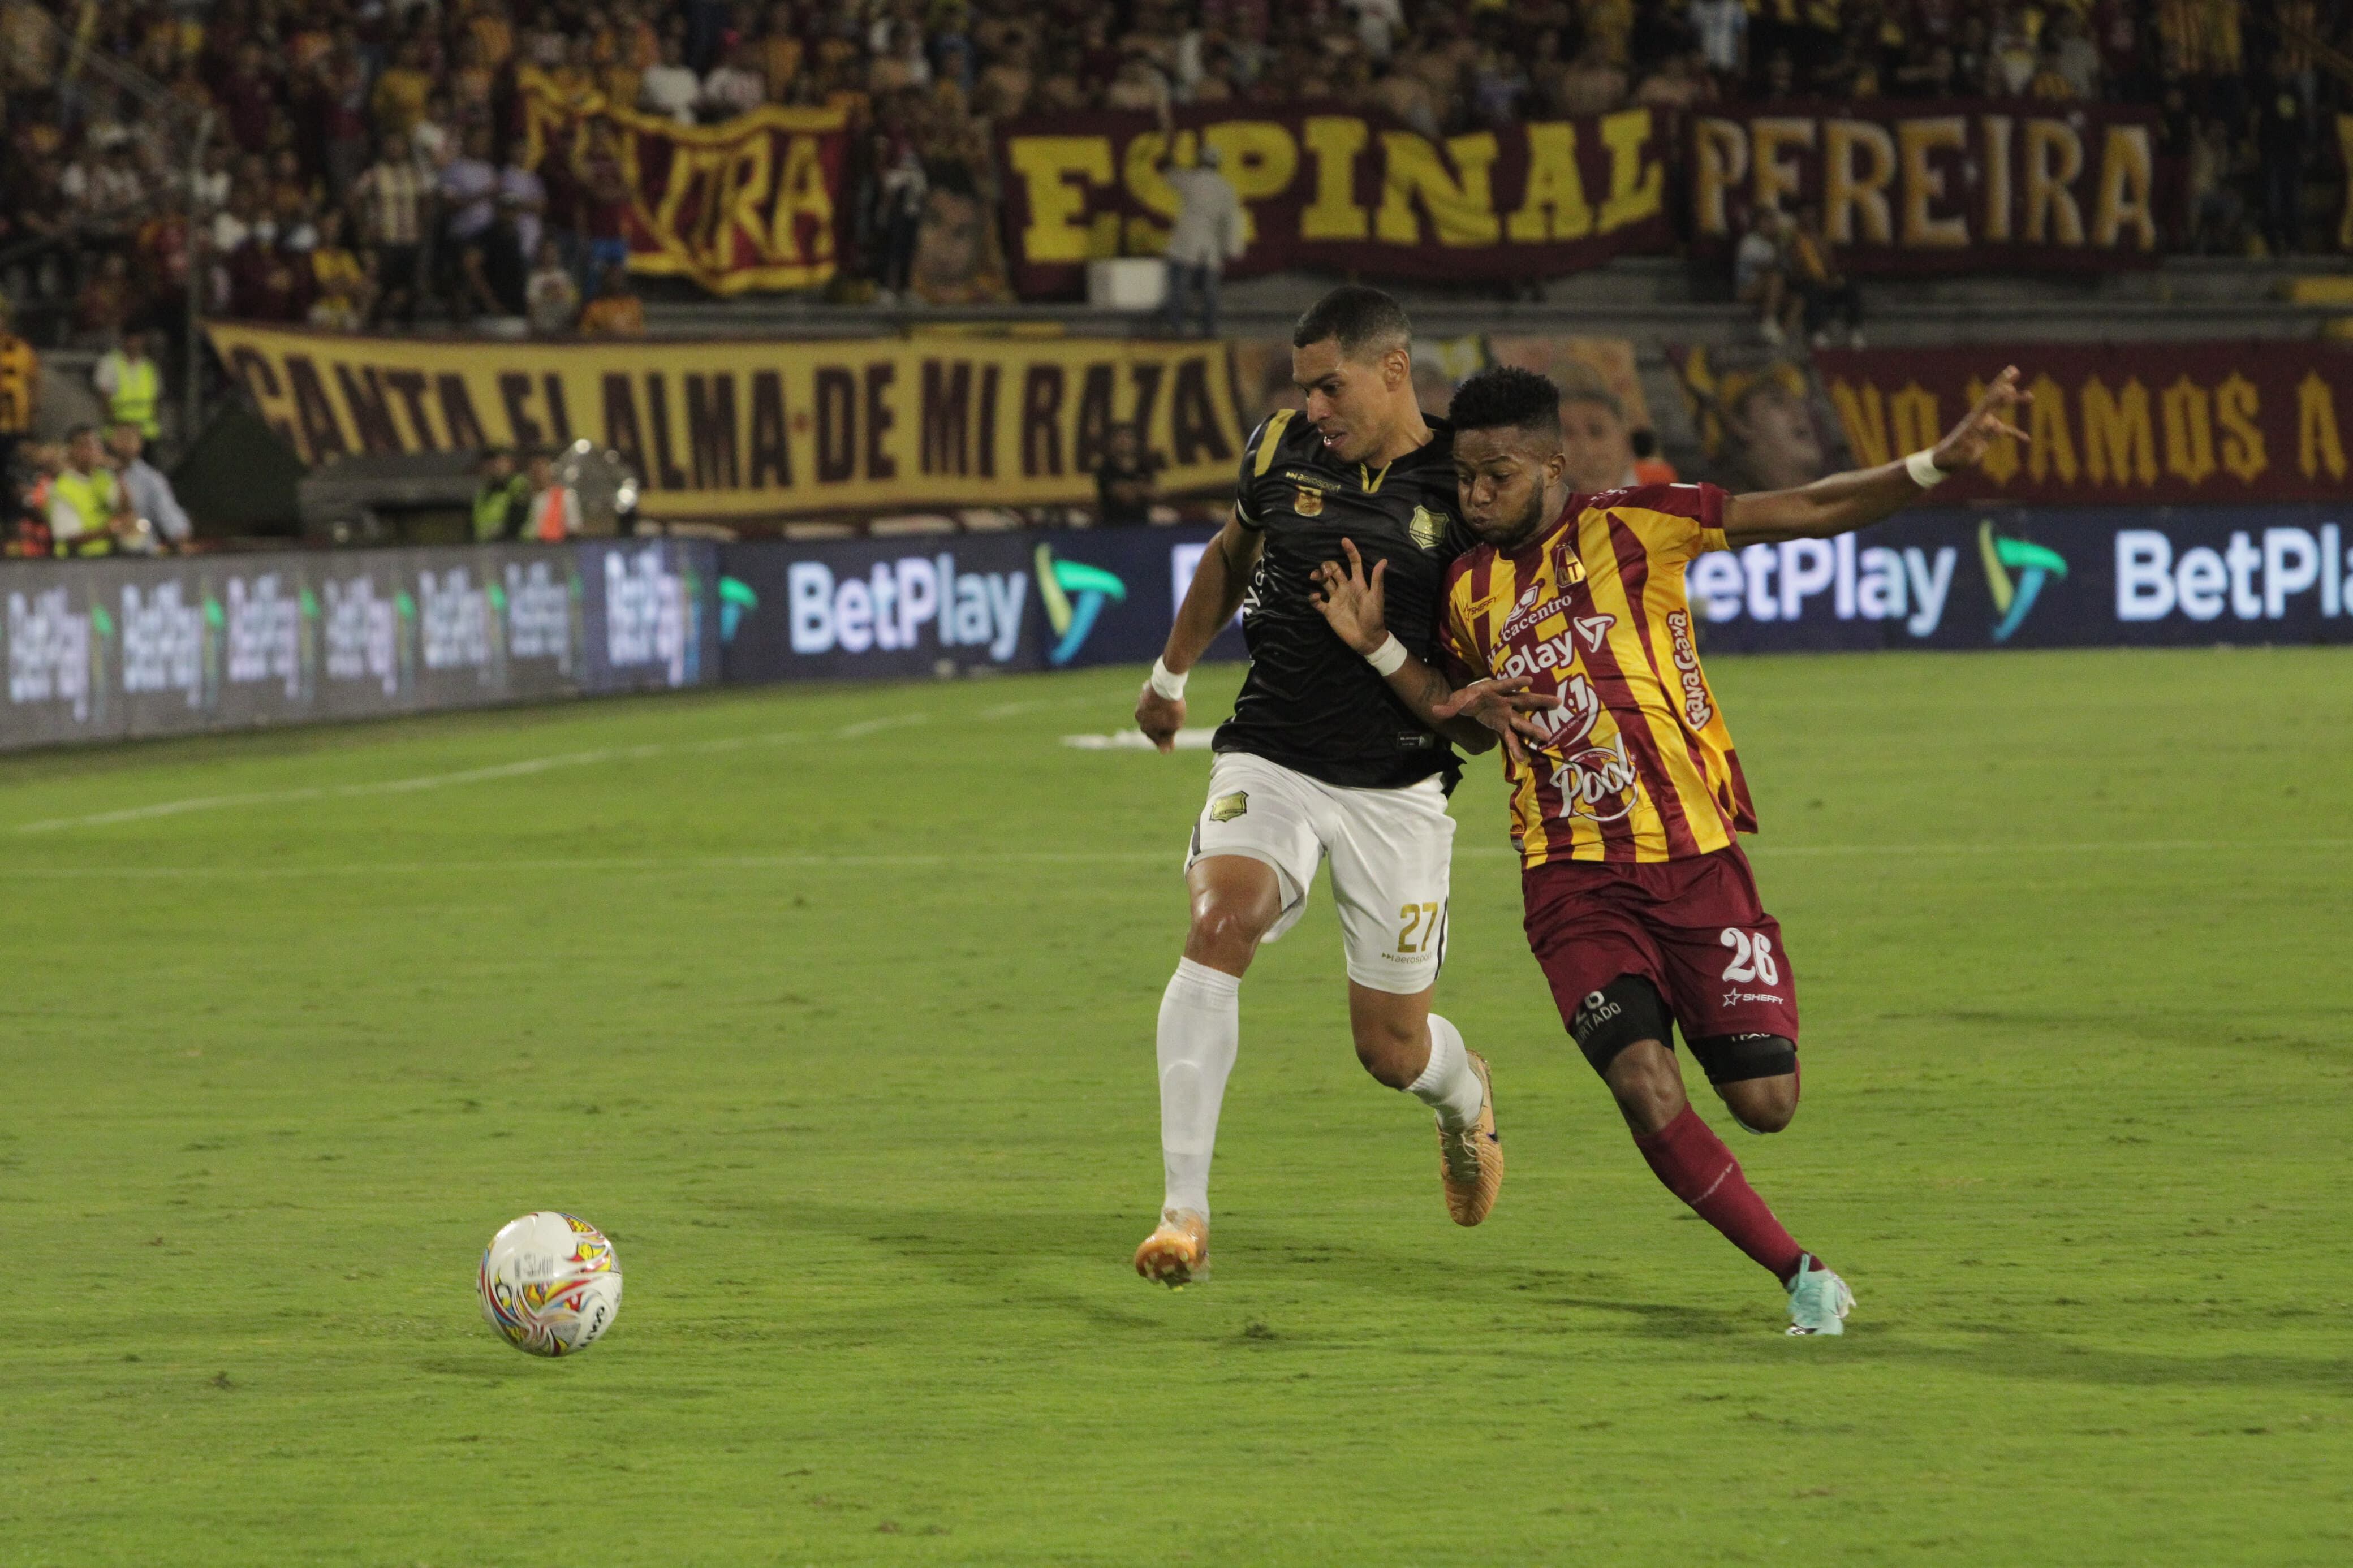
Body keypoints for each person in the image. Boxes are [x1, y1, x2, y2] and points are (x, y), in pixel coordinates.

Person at [1308, 363, 2033, 1334]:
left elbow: (1811, 507)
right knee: (1646, 1087)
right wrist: (1391, 655)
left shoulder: (1637, 525)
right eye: (1467, 480)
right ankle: (1801, 1275)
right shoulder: (1466, 589)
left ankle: (1726, 1053)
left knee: (1767, 1101)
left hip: (1696, 860)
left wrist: (1937, 463)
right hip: (1570, 883)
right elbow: (1475, 727)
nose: (1476, 498)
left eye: (1499, 476)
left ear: (1554, 463)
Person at [1128, 287, 1548, 1287]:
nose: (1312, 407)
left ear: (1395, 370)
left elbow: (1475, 718)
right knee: (1220, 922)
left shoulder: (1467, 490)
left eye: (1330, 386)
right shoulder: (1279, 450)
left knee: (1392, 1051)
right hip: (1269, 751)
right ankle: (1183, 1213)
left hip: (1397, 786)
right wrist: (1169, 675)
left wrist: (1412, 662)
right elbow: (1234, 555)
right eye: (1303, 387)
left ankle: (1465, 1096)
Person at [1158, 143, 1243, 339]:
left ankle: (1176, 329)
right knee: (1210, 294)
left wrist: (1169, 159)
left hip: (1185, 245)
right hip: (1209, 247)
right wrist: (1232, 249)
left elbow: (1170, 174)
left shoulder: (1192, 180)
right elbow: (1231, 222)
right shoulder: (1225, 188)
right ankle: (1208, 331)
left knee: (1179, 290)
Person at [48, 424, 135, 556]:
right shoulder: (62, 488)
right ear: (72, 451)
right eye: (86, 446)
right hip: (75, 562)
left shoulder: (105, 479)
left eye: (97, 445)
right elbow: (70, 538)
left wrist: (119, 475)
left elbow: (126, 510)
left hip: (109, 557)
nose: (93, 450)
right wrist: (107, 531)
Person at [1789, 202, 1864, 348]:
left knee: (1851, 287)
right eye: (1806, 214)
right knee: (1812, 289)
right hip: (1803, 283)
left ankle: (1854, 330)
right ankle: (1816, 332)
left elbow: (1831, 267)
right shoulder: (1793, 238)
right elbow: (1796, 269)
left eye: (1812, 214)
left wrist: (1835, 278)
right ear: (1799, 216)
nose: (1810, 218)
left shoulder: (1821, 239)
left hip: (1825, 282)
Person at [106, 422, 191, 550]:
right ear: (111, 441)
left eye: (130, 438)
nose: (125, 444)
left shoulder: (151, 480)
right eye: (121, 437)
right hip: (100, 554)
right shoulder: (99, 474)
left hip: (142, 555)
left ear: (140, 444)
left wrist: (180, 536)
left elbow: (170, 518)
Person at [1735, 203, 1800, 347]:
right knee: (1775, 277)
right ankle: (1768, 320)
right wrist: (1780, 254)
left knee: (1798, 299)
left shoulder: (1774, 245)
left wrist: (1789, 250)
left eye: (1773, 222)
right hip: (1747, 289)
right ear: (1757, 223)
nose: (1771, 225)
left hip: (1770, 290)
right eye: (1767, 221)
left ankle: (1780, 337)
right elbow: (1762, 267)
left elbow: (1789, 270)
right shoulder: (1750, 242)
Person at [1093, 422, 1159, 526]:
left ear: (1135, 442)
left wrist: (1133, 488)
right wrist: (1140, 487)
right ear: (1112, 443)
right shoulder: (1105, 469)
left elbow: (1155, 493)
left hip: (1143, 523)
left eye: (1127, 437)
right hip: (1114, 525)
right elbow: (1125, 496)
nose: (1123, 441)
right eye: (1119, 438)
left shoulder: (1144, 467)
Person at [0, 306, 36, 482]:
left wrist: (33, 412)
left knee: (15, 473)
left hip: (16, 423)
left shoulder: (21, 349)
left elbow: (34, 381)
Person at [472, 447, 529, 542]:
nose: (495, 467)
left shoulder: (518, 485)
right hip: (485, 546)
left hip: (514, 546)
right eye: (491, 463)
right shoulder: (482, 493)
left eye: (499, 462)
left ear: (510, 464)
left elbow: (519, 517)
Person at [578, 262, 646, 336]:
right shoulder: (595, 307)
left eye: (619, 277)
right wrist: (606, 333)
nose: (616, 281)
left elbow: (640, 331)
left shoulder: (633, 304)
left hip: (629, 346)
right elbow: (585, 334)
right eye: (612, 277)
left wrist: (627, 331)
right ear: (605, 280)